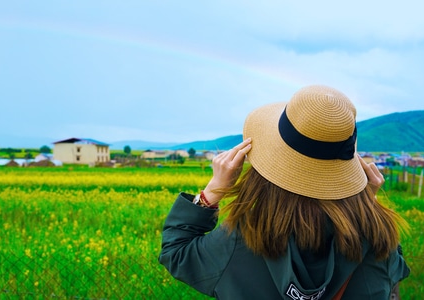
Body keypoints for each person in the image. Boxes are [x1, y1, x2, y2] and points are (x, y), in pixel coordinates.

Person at [159, 85, 409, 299]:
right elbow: (393, 269)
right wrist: (369, 205)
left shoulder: (242, 240)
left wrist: (213, 190)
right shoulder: (377, 241)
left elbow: (177, 254)